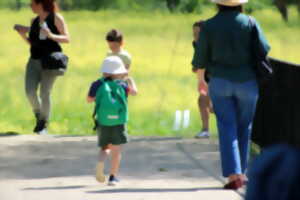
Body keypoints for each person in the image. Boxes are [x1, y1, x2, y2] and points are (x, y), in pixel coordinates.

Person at [192, 0, 270, 190]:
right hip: (248, 82)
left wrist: (202, 79)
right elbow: (265, 47)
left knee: (227, 126)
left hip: (219, 82)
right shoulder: (250, 22)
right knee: (245, 127)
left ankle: (233, 175)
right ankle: (242, 174)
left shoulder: (209, 25)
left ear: (218, 4)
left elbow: (200, 57)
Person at [14, 0, 70, 134]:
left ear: (40, 3)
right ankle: (39, 115)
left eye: (32, 3)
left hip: (50, 62)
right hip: (33, 61)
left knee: (45, 93)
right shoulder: (34, 20)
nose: (30, 5)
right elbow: (33, 43)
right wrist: (22, 35)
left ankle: (43, 124)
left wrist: (50, 35)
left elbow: (67, 38)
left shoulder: (56, 17)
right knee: (29, 91)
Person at [87, 56, 138, 186]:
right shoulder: (123, 84)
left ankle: (100, 164)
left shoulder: (97, 84)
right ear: (119, 71)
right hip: (119, 122)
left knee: (104, 148)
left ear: (104, 71)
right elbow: (134, 93)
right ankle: (112, 177)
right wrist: (130, 80)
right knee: (116, 151)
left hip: (103, 121)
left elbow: (89, 99)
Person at [192, 21, 213, 138]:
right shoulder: (196, 44)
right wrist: (196, 68)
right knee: (202, 101)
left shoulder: (212, 45)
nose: (195, 37)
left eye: (198, 33)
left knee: (213, 106)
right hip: (204, 78)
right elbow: (197, 62)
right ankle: (205, 129)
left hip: (215, 77)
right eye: (194, 34)